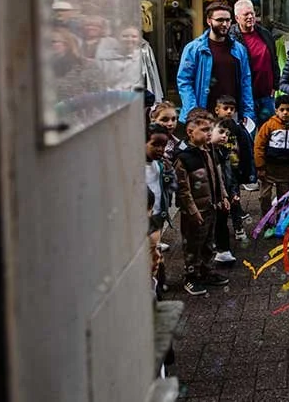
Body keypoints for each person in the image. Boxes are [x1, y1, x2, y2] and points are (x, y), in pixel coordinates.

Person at [173, 109, 230, 296]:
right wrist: (192, 210)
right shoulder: (184, 157)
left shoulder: (209, 150)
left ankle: (207, 271)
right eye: (204, 130)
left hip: (211, 206)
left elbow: (217, 174)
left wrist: (223, 196)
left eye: (210, 129)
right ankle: (191, 278)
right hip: (195, 210)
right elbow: (183, 189)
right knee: (192, 245)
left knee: (208, 242)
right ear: (190, 132)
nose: (209, 133)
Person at [176, 3, 255, 124]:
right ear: (209, 21)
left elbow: (246, 82)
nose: (225, 24)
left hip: (231, 114)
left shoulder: (239, 49)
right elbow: (184, 81)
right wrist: (194, 111)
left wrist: (248, 112)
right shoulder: (194, 48)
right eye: (220, 20)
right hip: (204, 115)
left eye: (228, 20)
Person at [253, 95, 289, 233]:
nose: (285, 113)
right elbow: (259, 146)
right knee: (264, 196)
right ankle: (266, 220)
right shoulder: (269, 125)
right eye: (282, 109)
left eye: (288, 109)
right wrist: (260, 167)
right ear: (276, 111)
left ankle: (281, 221)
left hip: (286, 170)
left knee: (284, 197)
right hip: (269, 168)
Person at [231, 0, 280, 126]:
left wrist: (275, 85)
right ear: (237, 18)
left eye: (252, 13)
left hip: (266, 96)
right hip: (245, 98)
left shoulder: (265, 33)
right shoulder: (231, 38)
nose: (250, 17)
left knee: (269, 133)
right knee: (248, 135)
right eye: (246, 14)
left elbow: (274, 60)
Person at [95, 25, 164, 102]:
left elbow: (149, 81)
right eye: (125, 36)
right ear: (118, 37)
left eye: (134, 36)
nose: (129, 39)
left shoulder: (143, 56)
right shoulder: (106, 58)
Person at [209, 119, 245, 265]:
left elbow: (230, 175)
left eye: (227, 134)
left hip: (224, 193)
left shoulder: (224, 151)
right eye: (221, 132)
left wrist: (233, 191)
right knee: (214, 222)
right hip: (213, 196)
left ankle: (223, 251)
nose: (224, 136)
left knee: (222, 221)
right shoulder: (209, 153)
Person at [213, 94, 257, 201]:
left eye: (232, 109)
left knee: (234, 185)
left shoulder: (236, 127)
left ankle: (236, 209)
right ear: (217, 110)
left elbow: (243, 145)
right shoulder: (214, 126)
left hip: (234, 162)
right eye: (225, 108)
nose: (229, 111)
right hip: (219, 162)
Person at [145, 123, 174, 280]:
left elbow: (168, 186)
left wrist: (169, 171)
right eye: (155, 144)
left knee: (156, 254)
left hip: (157, 216)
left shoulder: (159, 164)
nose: (160, 149)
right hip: (145, 220)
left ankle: (159, 286)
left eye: (163, 145)